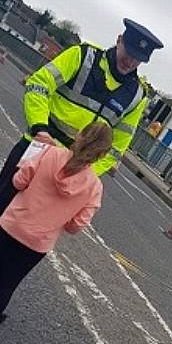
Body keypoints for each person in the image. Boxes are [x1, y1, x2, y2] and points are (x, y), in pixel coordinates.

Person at [0, 18, 163, 214]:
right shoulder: (82, 56)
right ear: (119, 40)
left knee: (32, 233)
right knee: (3, 205)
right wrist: (39, 129)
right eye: (128, 52)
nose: (130, 61)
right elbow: (39, 85)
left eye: (138, 59)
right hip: (38, 148)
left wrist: (85, 173)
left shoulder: (137, 96)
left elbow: (117, 147)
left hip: (71, 172)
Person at [0, 122, 113, 323]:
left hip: (12, 223)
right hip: (37, 243)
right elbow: (75, 226)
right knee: (7, 283)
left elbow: (18, 182)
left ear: (79, 135)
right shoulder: (94, 187)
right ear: (103, 155)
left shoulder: (49, 153)